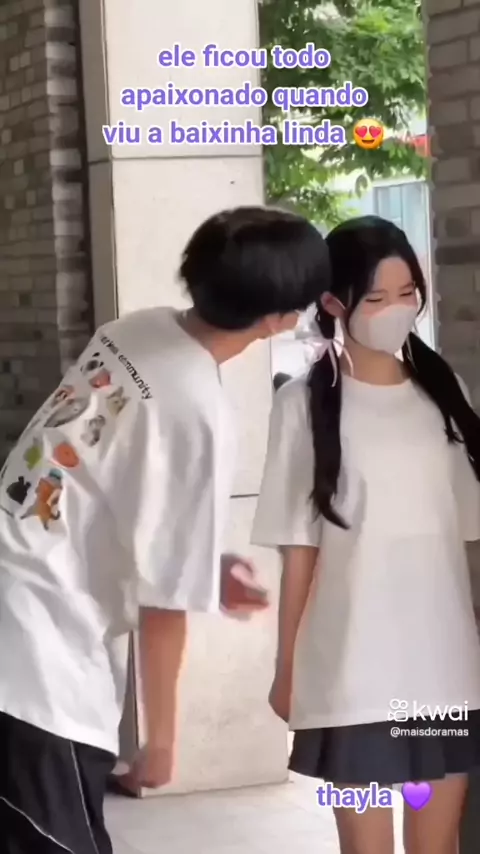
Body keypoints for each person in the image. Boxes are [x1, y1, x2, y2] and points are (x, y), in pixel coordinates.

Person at [0, 205, 331, 854]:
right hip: (34, 660)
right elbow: (164, 605)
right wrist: (162, 743)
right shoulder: (196, 410)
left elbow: (100, 481)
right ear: (280, 319)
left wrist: (203, 561)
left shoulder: (132, 330)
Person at [251, 215, 480, 854]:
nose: (397, 309)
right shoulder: (302, 405)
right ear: (333, 303)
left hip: (443, 668)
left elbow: (462, 539)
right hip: (352, 671)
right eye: (376, 297)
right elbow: (300, 551)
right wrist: (286, 667)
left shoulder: (445, 395)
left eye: (408, 293)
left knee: (438, 845)